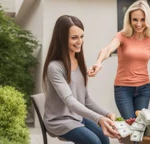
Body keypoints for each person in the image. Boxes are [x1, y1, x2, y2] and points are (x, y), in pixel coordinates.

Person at [87, 0, 150, 120]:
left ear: (148, 20)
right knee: (130, 124)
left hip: (144, 89)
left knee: (140, 126)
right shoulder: (122, 36)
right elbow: (108, 49)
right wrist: (98, 62)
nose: (139, 24)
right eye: (135, 19)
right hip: (123, 89)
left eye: (142, 20)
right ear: (129, 20)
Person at [42, 15, 119, 144]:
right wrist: (99, 119)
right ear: (62, 39)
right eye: (74, 38)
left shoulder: (79, 62)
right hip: (59, 121)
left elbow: (85, 99)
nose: (80, 41)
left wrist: (107, 114)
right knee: (94, 141)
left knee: (104, 138)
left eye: (81, 36)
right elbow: (70, 101)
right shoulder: (54, 67)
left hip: (76, 117)